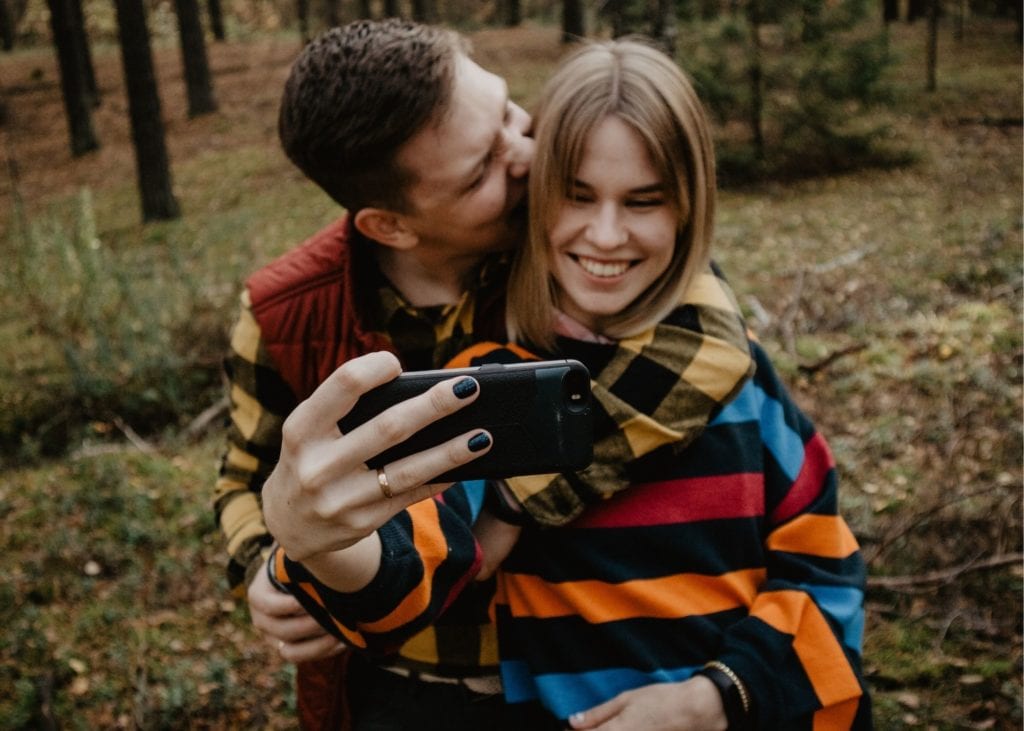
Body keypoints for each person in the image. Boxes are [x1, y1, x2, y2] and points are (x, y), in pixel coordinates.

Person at [271, 38, 872, 730]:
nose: (608, 234)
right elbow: (417, 562)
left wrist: (712, 699)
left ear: (690, 205)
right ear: (538, 197)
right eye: (577, 197)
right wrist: (316, 540)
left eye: (644, 200)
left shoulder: (740, 374)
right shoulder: (493, 384)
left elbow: (826, 575)